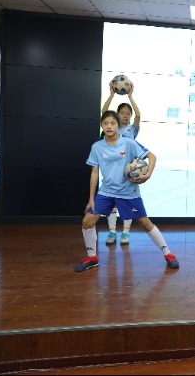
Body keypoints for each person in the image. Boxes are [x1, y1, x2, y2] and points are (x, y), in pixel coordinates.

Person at [75, 110, 179, 272]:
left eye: (112, 123)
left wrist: (148, 175)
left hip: (128, 192)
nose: (109, 126)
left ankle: (168, 254)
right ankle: (92, 257)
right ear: (102, 125)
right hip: (106, 192)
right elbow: (94, 172)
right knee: (87, 221)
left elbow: (152, 156)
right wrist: (91, 198)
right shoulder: (97, 146)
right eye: (105, 123)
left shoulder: (128, 143)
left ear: (118, 126)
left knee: (145, 223)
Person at [100, 84, 142, 246]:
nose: (125, 116)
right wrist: (111, 94)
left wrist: (130, 96)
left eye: (127, 113)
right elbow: (104, 113)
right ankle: (111, 233)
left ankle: (125, 233)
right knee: (112, 204)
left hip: (130, 171)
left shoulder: (132, 130)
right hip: (111, 170)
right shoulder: (112, 129)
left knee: (127, 203)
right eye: (122, 113)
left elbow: (139, 115)